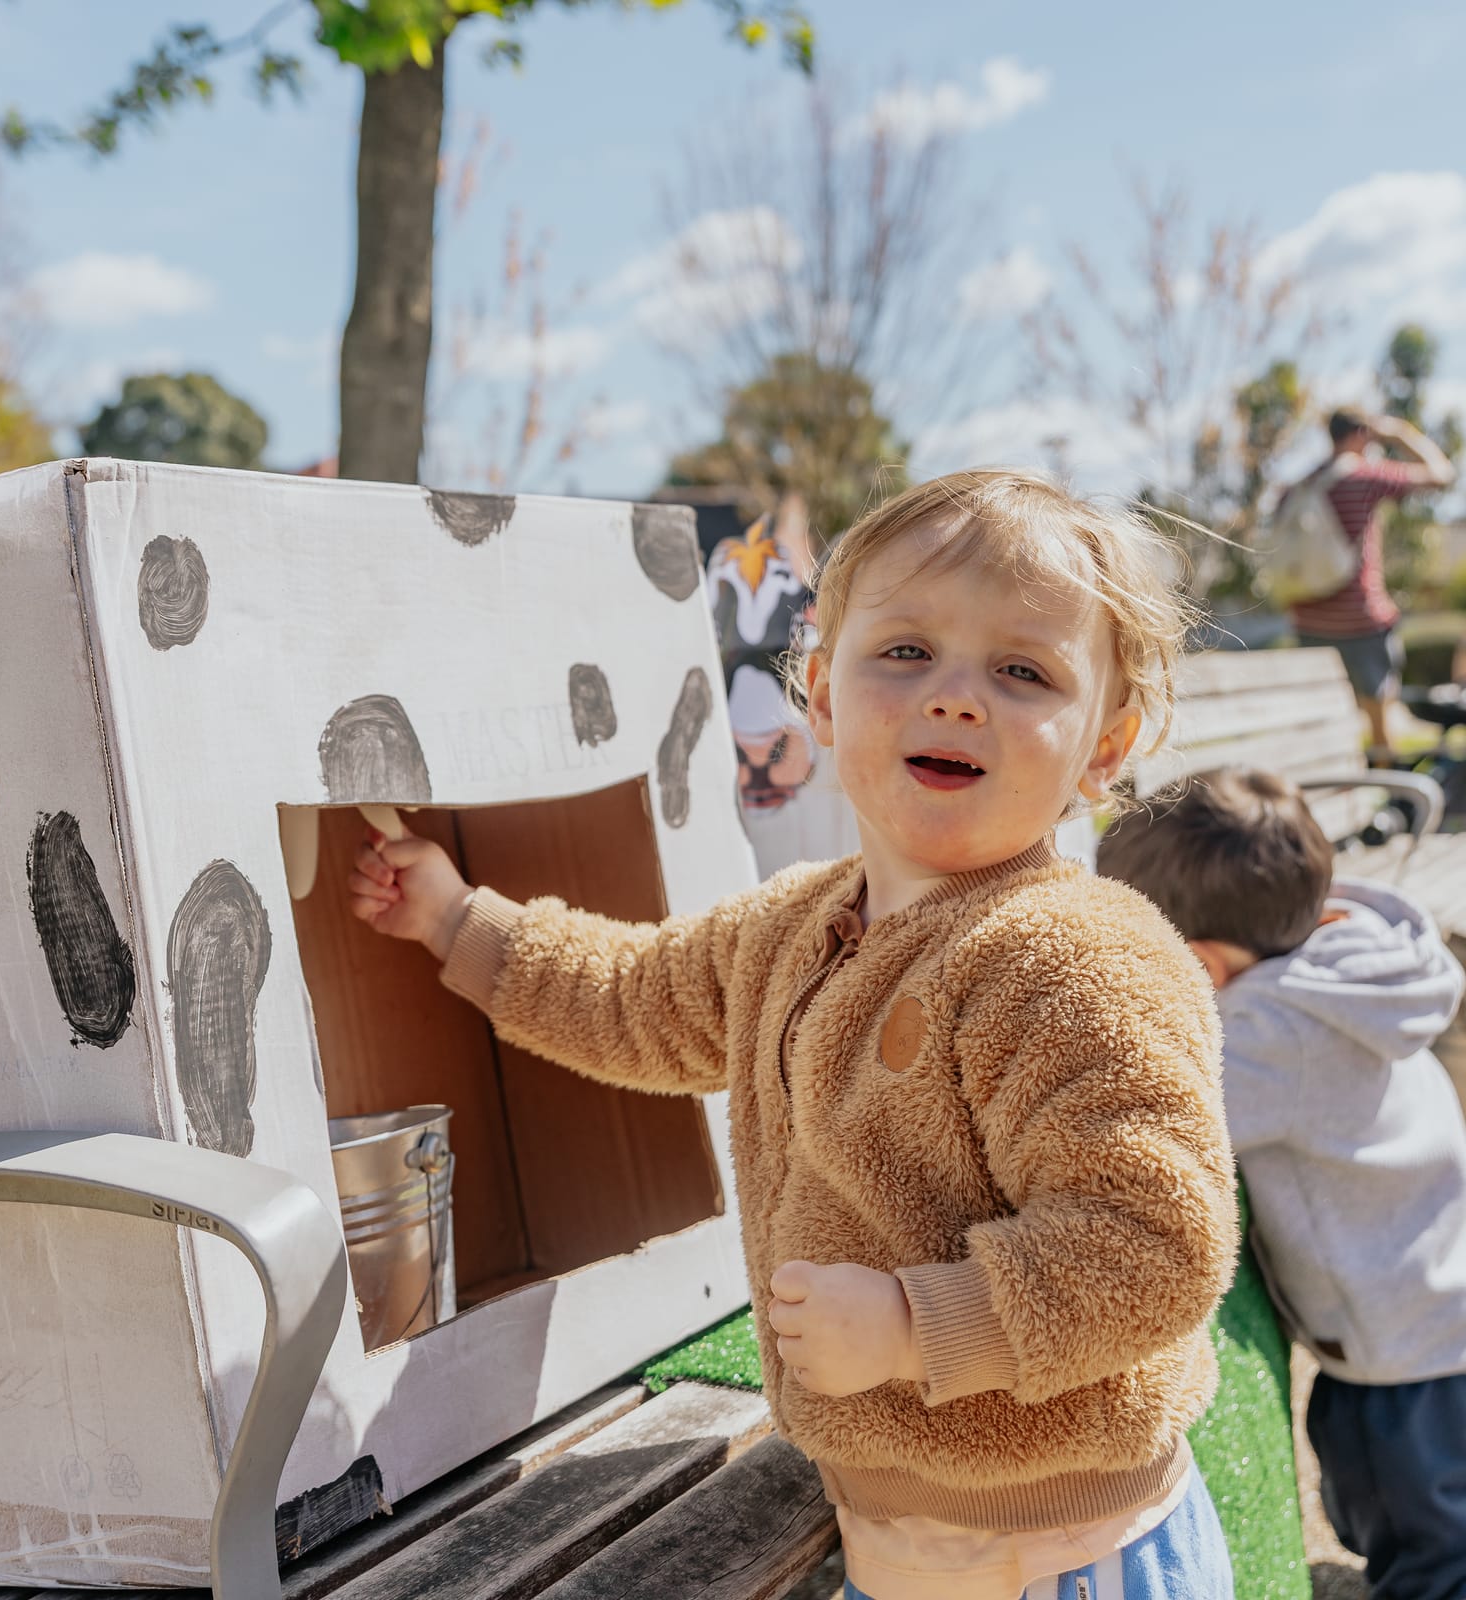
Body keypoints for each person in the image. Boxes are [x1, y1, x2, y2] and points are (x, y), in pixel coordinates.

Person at [347, 469, 1238, 1599]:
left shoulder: (1072, 953)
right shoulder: (789, 927)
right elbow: (628, 996)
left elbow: (1151, 1244)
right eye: (904, 652)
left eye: (1021, 671)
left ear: (1104, 748)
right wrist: (453, 918)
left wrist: (919, 1323)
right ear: (818, 693)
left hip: (1070, 1549)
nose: (955, 695)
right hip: (894, 1536)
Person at [1097, 767, 1466, 1600]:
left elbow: (1162, 1117)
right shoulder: (1345, 949)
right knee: (1396, 1502)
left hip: (1398, 1345)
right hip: (1429, 1301)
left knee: (1429, 1543)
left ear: (1196, 964)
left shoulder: (1273, 1036)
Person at [1285, 409, 1456, 765]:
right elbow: (1443, 475)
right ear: (1362, 433)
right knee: (1381, 720)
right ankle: (1388, 795)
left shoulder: (1300, 485)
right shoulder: (1363, 476)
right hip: (1361, 621)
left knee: (1326, 719)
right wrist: (1399, 433)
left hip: (1307, 620)